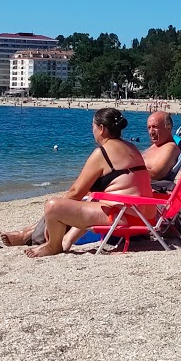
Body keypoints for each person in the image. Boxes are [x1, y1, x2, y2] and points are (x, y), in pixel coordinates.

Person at [26, 108, 152, 257]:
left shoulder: (102, 152)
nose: (92, 131)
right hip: (145, 216)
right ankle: (66, 240)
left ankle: (53, 246)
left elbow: (75, 192)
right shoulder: (132, 148)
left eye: (93, 126)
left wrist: (53, 218)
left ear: (101, 129)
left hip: (124, 216)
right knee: (92, 198)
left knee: (53, 205)